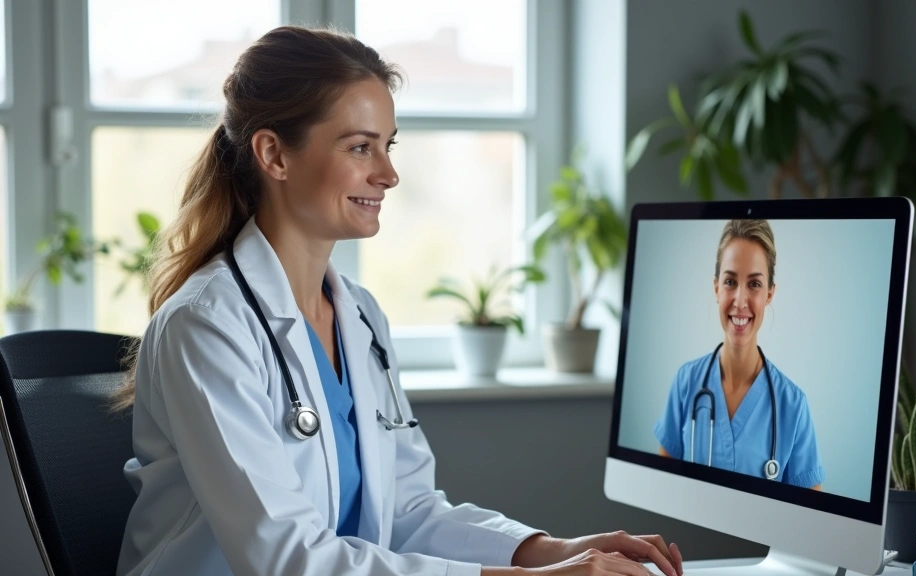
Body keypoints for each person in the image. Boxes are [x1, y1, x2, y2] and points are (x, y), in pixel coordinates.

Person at [110, 25, 683, 576]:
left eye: (388, 146)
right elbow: (288, 560)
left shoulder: (359, 315)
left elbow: (410, 513)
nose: (388, 174)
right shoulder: (206, 325)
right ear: (274, 155)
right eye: (361, 147)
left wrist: (552, 551)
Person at [652, 219, 824, 490]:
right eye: (730, 282)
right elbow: (660, 490)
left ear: (769, 294)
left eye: (754, 284)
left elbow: (812, 513)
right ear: (716, 288)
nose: (740, 301)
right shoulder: (685, 382)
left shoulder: (793, 406)